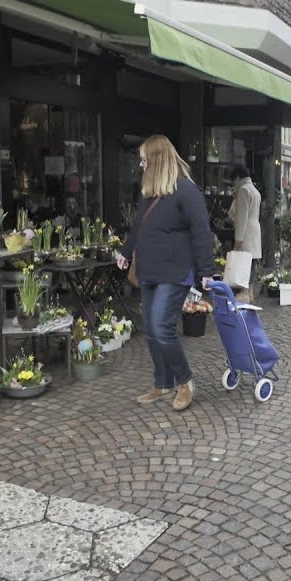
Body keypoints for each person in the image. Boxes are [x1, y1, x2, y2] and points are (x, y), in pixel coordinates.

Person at [116, 135, 216, 412]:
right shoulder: (150, 193)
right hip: (149, 269)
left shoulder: (186, 191)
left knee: (162, 327)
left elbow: (201, 233)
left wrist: (207, 270)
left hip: (175, 271)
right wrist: (125, 252)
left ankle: (184, 382)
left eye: (144, 158)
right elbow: (138, 227)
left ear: (157, 160)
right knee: (150, 328)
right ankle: (162, 383)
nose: (141, 164)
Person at [227, 167, 262, 304]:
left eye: (233, 180)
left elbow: (242, 216)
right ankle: (250, 292)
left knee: (244, 263)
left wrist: (238, 239)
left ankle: (244, 292)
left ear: (237, 177)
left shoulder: (243, 190)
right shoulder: (254, 190)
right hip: (255, 229)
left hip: (246, 230)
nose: (233, 184)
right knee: (251, 262)